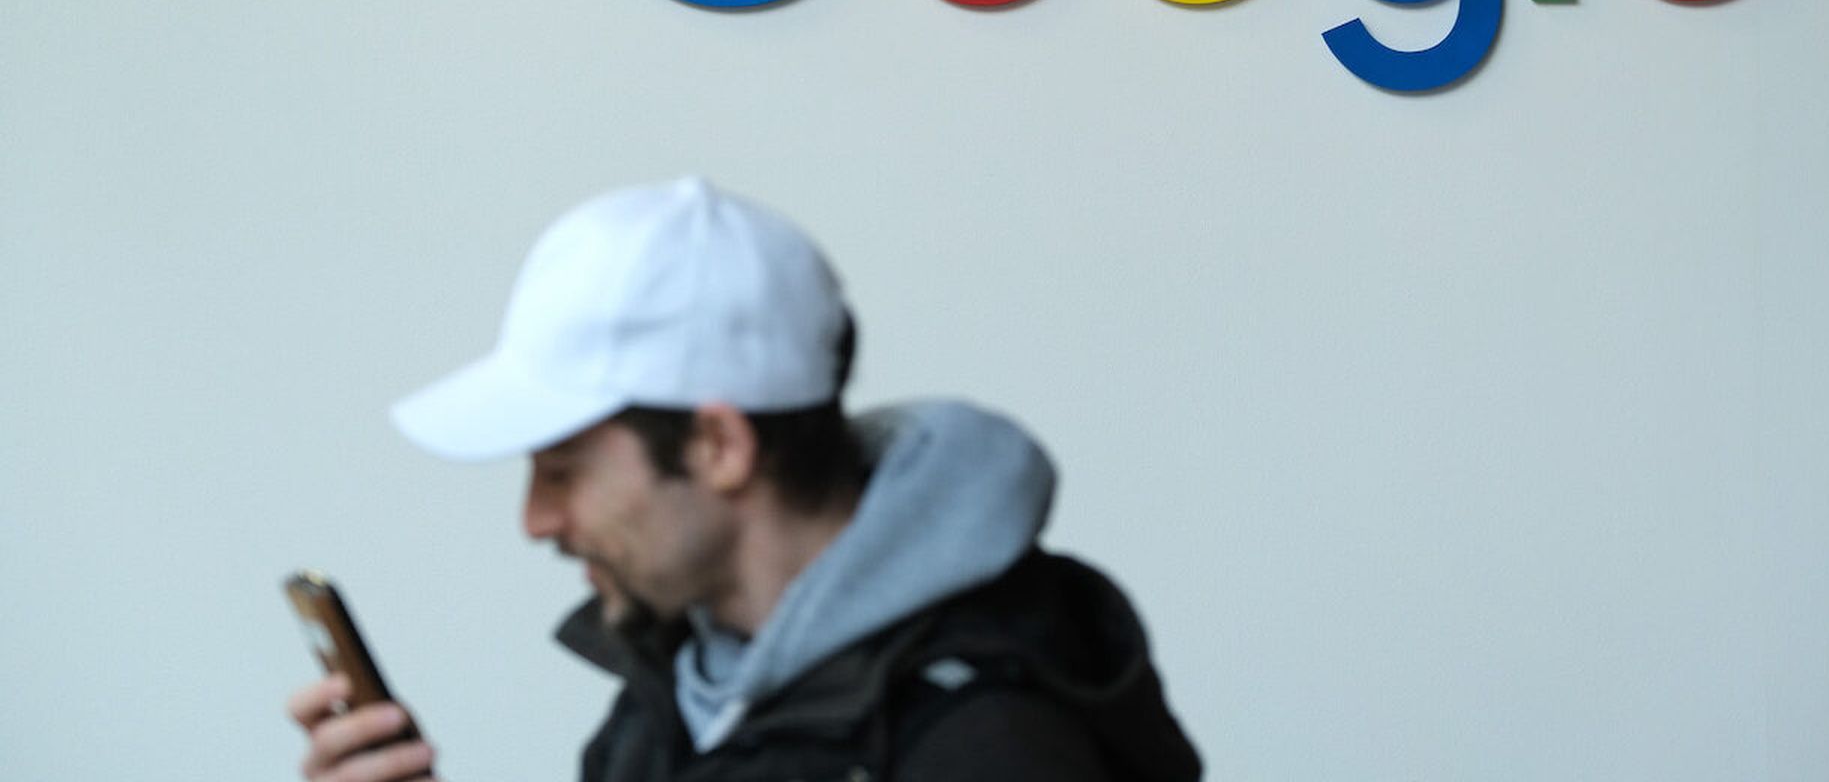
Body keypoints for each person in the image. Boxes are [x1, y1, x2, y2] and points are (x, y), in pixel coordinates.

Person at [288, 177, 1201, 782]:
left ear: (719, 446)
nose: (536, 520)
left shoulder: (988, 747)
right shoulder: (676, 694)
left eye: (563, 470)